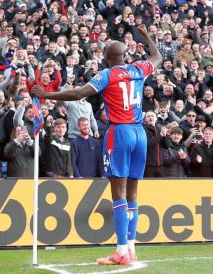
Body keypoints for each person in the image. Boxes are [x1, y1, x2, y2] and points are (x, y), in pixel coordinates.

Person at [31, 24, 162, 265]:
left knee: (118, 192)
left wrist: (45, 95)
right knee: (133, 193)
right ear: (124, 56)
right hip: (139, 133)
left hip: (119, 132)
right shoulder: (138, 69)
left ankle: (121, 251)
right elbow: (157, 56)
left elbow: (78, 94)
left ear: (107, 57)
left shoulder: (106, 75)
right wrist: (146, 36)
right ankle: (131, 249)